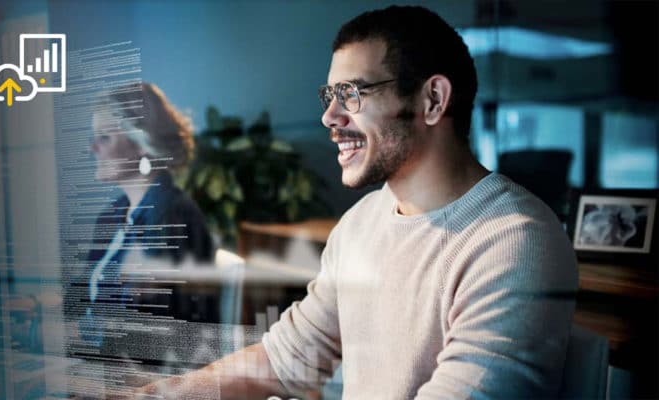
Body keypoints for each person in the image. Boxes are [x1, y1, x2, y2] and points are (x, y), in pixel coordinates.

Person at [137, 6, 578, 399]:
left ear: (433, 100)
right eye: (330, 97)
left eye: (352, 95)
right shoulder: (360, 224)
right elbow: (285, 360)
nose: (330, 118)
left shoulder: (514, 243)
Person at [70, 82, 215, 352]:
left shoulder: (173, 216)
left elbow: (152, 330)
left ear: (140, 143)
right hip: (100, 363)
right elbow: (80, 293)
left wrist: (75, 340)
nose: (92, 148)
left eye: (104, 137)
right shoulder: (111, 216)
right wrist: (38, 304)